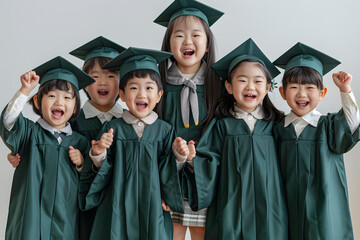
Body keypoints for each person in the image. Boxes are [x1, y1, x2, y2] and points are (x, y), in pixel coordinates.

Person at [174, 38, 288, 239]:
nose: (250, 86)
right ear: (228, 86)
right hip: (230, 207)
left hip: (271, 206)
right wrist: (193, 160)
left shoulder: (278, 124)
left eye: (258, 81)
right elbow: (209, 160)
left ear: (268, 85)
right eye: (242, 80)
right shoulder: (221, 125)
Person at [79, 47, 184, 240]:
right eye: (134, 88)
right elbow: (103, 170)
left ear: (159, 95)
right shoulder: (112, 128)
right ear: (123, 94)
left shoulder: (165, 130)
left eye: (149, 88)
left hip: (152, 206)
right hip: (116, 204)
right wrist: (98, 152)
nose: (141, 94)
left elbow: (167, 169)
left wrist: (179, 156)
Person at [0, 56, 94, 239]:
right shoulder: (29, 133)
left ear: (75, 107)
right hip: (30, 219)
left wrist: (82, 164)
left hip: (66, 221)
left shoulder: (81, 143)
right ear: (37, 102)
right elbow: (8, 121)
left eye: (67, 97)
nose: (59, 102)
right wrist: (24, 90)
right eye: (51, 96)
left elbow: (91, 182)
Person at [273, 42, 360, 240]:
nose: (302, 94)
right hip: (286, 208)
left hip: (323, 209)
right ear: (282, 92)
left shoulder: (329, 126)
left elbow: (353, 124)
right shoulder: (277, 129)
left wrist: (345, 90)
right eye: (294, 87)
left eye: (310, 87)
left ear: (322, 94)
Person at [153, 0, 223, 238]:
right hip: (169, 175)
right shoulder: (157, 85)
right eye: (179, 36)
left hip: (206, 178)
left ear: (207, 43)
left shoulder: (220, 86)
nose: (187, 42)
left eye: (196, 35)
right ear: (168, 43)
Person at [70, 35, 126, 240]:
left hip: (118, 203)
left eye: (111, 76)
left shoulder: (129, 122)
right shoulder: (72, 121)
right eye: (95, 76)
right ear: (85, 84)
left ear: (121, 84)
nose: (103, 81)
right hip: (80, 203)